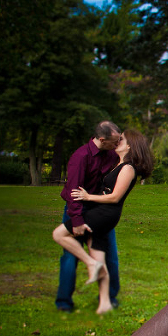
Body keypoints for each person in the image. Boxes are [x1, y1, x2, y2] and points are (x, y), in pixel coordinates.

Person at [51, 129, 154, 314]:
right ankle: (104, 302)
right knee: (96, 256)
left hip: (101, 214)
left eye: (121, 139)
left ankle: (94, 272)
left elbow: (115, 197)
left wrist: (88, 197)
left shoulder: (127, 167)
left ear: (129, 146)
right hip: (94, 211)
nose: (117, 141)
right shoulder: (109, 159)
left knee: (60, 235)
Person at [56, 121, 122, 312]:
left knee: (110, 255)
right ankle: (64, 303)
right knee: (70, 257)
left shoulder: (111, 155)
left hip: (100, 211)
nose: (117, 145)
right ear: (102, 139)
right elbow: (73, 193)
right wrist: (77, 220)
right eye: (114, 141)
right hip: (78, 209)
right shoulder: (80, 157)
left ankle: (110, 297)